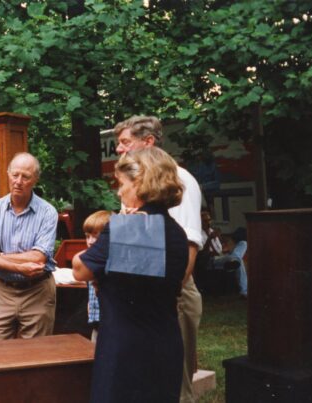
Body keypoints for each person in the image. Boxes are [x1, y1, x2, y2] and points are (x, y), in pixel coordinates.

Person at [72, 147, 188, 403]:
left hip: (125, 350)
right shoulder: (177, 233)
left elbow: (80, 269)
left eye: (121, 183)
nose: (119, 191)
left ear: (140, 183)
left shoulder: (126, 228)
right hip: (165, 344)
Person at [114, 115, 204, 403]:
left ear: (148, 142)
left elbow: (190, 244)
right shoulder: (140, 183)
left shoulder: (179, 180)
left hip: (173, 289)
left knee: (175, 382)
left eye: (125, 142)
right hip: (147, 292)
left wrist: (172, 294)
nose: (118, 149)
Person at [0, 152, 59, 340]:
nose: (18, 181)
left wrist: (0, 256)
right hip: (2, 291)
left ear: (35, 179)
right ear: (8, 173)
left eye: (26, 176)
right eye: (15, 175)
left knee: (36, 355)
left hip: (37, 291)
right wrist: (16, 265)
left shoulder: (48, 212)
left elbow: (39, 257)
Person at [82, 210, 113, 343]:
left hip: (111, 326)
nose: (90, 241)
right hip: (96, 324)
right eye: (87, 236)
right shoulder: (91, 262)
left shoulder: (111, 263)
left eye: (96, 236)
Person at [213, 228, 248, 297]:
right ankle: (244, 291)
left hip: (224, 257)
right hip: (214, 259)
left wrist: (226, 251)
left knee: (243, 245)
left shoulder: (215, 237)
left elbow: (222, 250)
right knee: (238, 259)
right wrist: (210, 239)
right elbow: (205, 252)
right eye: (206, 220)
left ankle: (244, 292)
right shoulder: (202, 235)